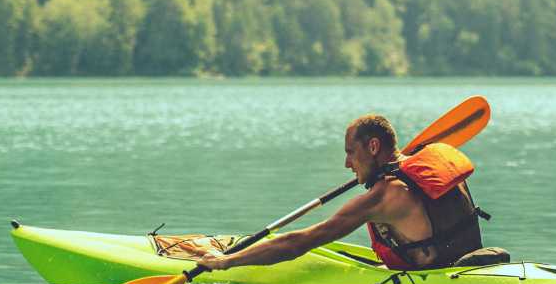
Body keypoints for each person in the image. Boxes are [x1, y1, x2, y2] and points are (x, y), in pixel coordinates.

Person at [195, 113, 500, 273]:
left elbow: (302, 241)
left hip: (436, 281)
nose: (347, 164)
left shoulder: (382, 198)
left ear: (373, 147)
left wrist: (225, 263)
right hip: (471, 264)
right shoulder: (432, 161)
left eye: (351, 153)